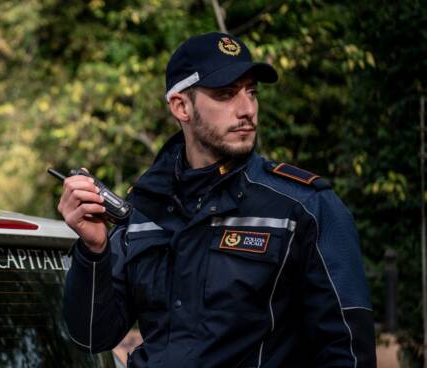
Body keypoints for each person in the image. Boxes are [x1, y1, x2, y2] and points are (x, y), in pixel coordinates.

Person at [57, 32, 375, 367]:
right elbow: (92, 336)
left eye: (251, 92)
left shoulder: (304, 207)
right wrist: (94, 252)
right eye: (226, 94)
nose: (247, 109)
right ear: (181, 106)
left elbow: (349, 352)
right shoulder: (145, 209)